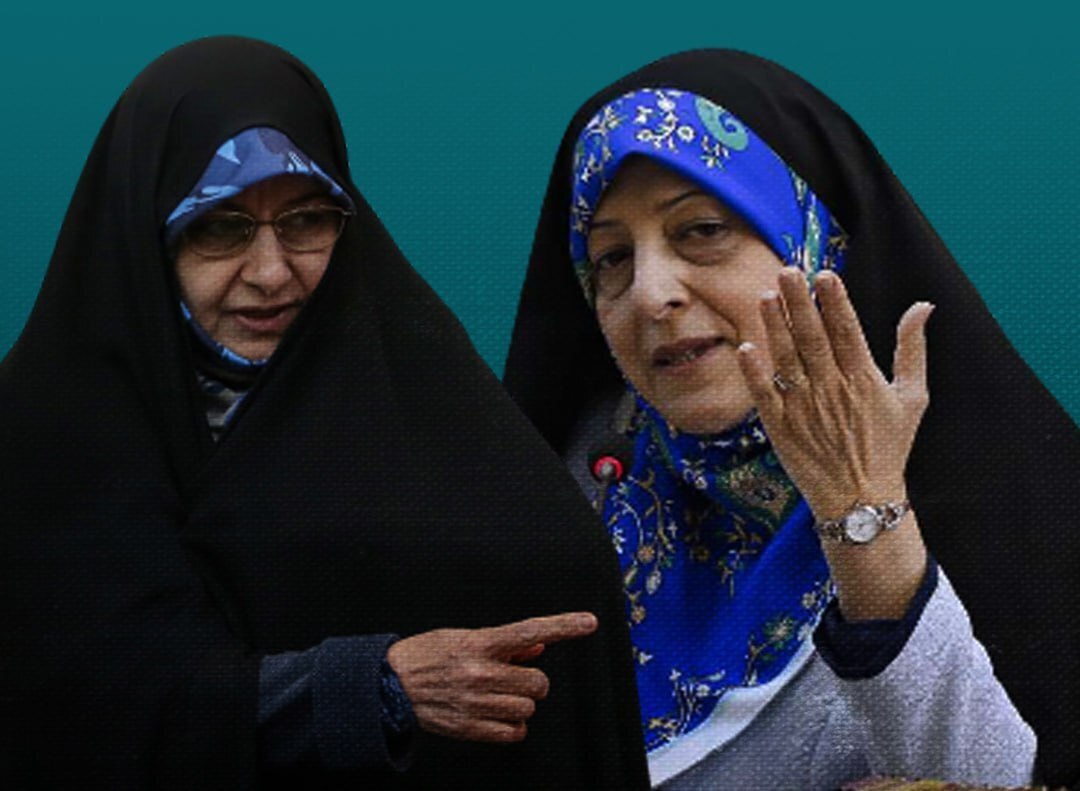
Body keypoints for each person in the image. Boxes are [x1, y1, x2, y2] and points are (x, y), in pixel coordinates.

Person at [0, 37, 650, 790]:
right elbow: (85, 702)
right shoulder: (45, 432)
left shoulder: (416, 396)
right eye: (218, 227)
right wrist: (370, 689)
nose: (272, 272)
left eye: (307, 221)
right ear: (147, 236)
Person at [504, 50, 1080, 789]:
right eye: (612, 257)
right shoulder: (577, 506)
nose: (650, 293)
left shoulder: (1028, 521)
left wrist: (862, 513)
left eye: (701, 228)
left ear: (814, 242)